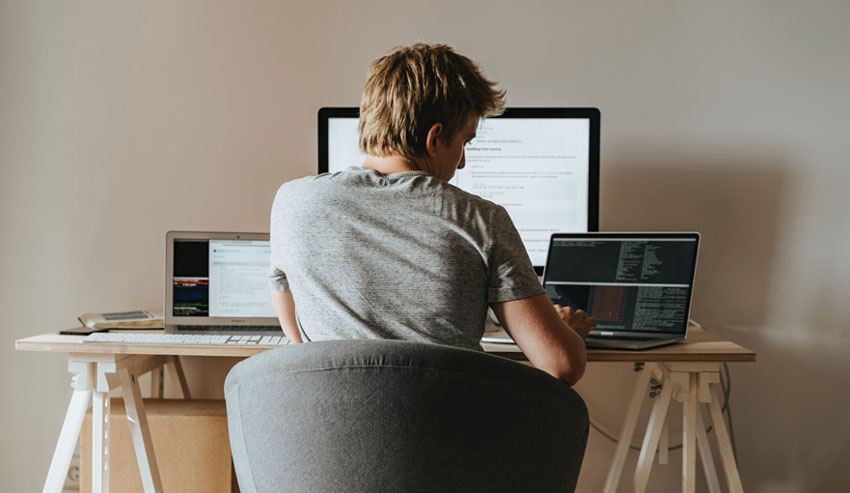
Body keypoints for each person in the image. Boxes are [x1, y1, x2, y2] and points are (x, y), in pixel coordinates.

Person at [269, 43, 596, 385]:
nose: (463, 161)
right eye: (465, 143)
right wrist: (567, 332)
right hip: (447, 434)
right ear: (435, 138)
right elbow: (561, 365)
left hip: (325, 430)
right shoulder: (481, 219)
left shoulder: (292, 201)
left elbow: (297, 337)